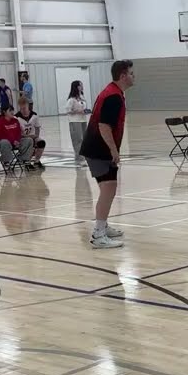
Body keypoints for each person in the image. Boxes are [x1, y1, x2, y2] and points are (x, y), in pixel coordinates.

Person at [80, 60, 135, 248]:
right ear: (123, 76)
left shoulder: (114, 92)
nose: (133, 76)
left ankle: (102, 225)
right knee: (109, 188)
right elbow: (104, 126)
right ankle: (98, 235)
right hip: (98, 149)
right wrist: (113, 150)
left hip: (100, 148)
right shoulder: (113, 96)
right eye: (131, 73)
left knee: (109, 187)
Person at [17, 99, 46, 170]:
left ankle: (37, 161)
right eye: (21, 108)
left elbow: (37, 127)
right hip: (23, 138)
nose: (23, 110)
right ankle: (27, 162)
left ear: (28, 106)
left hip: (33, 137)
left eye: (24, 108)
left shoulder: (34, 115)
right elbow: (17, 134)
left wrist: (36, 137)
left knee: (41, 142)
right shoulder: (16, 117)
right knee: (29, 141)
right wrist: (28, 136)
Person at [65, 80, 89, 164]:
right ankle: (79, 156)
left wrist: (86, 111)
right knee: (78, 139)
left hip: (83, 120)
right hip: (75, 121)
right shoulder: (71, 99)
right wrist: (77, 111)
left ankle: (84, 154)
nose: (82, 87)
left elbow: (83, 107)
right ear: (76, 87)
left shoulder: (82, 97)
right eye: (80, 85)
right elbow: (68, 110)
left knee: (84, 138)